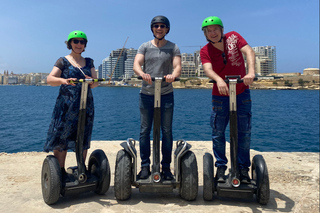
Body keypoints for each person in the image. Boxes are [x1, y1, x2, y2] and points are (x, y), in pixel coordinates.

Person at [200, 16, 256, 183]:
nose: (213, 33)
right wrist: (218, 80)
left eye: (215, 29)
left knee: (243, 133)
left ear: (222, 30)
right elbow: (207, 69)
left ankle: (243, 168)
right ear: (206, 34)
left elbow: (249, 52)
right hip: (220, 96)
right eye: (209, 31)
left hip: (241, 92)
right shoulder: (205, 50)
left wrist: (251, 72)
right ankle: (221, 166)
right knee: (218, 133)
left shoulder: (233, 37)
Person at [44, 30, 98, 180]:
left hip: (86, 104)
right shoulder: (63, 61)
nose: (79, 44)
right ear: (70, 43)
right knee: (63, 137)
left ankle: (82, 167)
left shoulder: (89, 62)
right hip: (66, 106)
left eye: (82, 42)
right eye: (76, 41)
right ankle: (60, 172)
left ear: (85, 45)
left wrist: (91, 80)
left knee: (83, 135)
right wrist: (63, 81)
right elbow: (50, 79)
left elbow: (95, 84)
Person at [133, 15, 181, 180]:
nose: (159, 28)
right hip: (147, 94)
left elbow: (177, 66)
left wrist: (173, 75)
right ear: (152, 28)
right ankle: (145, 166)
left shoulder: (173, 47)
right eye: (156, 26)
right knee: (145, 130)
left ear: (167, 29)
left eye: (162, 26)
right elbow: (137, 64)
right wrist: (142, 74)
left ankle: (166, 167)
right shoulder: (144, 46)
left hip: (166, 93)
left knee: (166, 131)